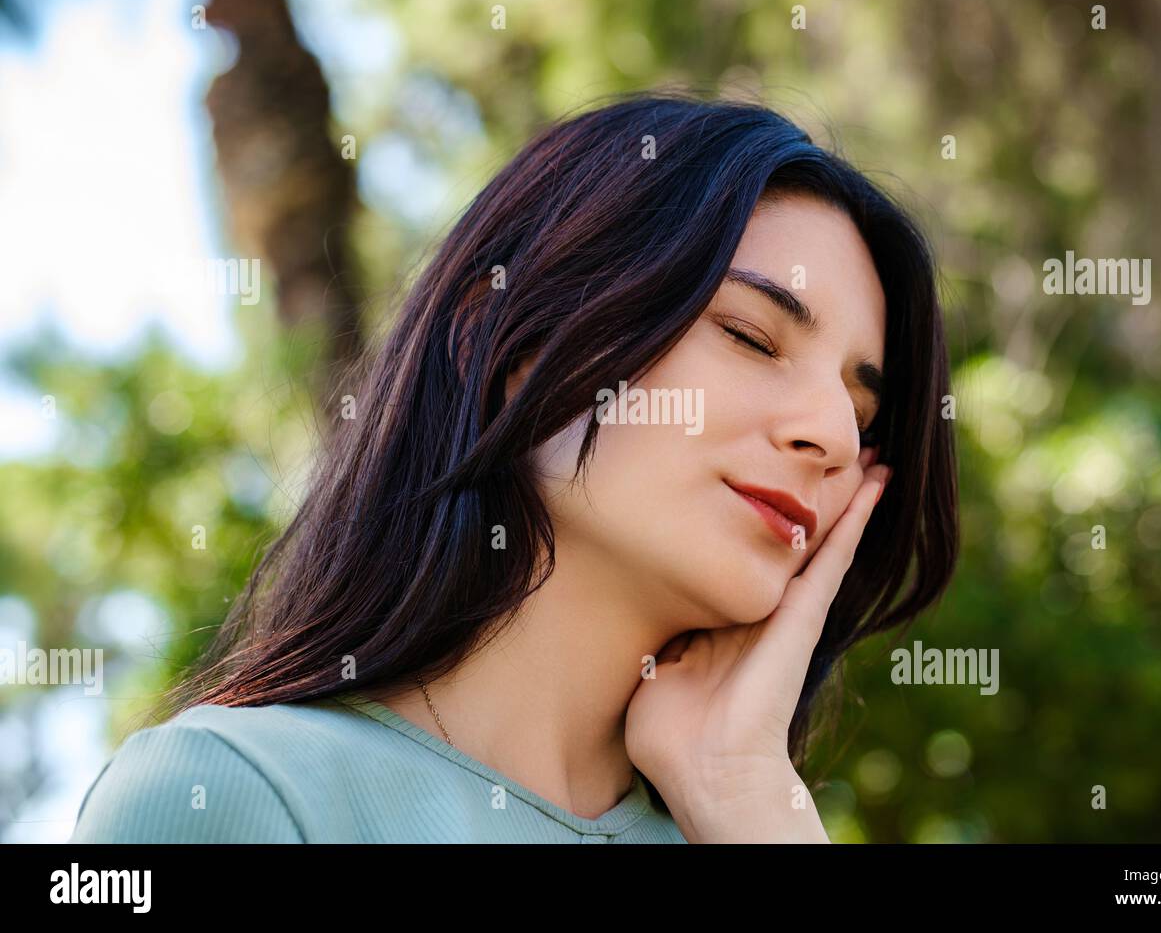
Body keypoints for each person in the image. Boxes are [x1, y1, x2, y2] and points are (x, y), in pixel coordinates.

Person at [71, 92, 958, 844]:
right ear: (505, 341)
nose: (832, 436)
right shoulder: (234, 796)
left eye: (862, 413)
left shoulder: (747, 823)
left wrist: (749, 800)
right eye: (750, 336)